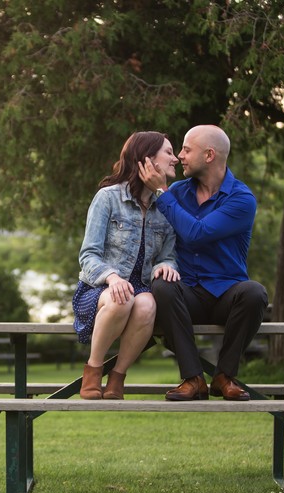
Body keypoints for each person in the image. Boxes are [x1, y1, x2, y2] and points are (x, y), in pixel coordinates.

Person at [138, 125, 268, 401]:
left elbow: (198, 235)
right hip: (187, 295)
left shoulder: (241, 199)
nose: (180, 156)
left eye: (186, 149)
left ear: (209, 155)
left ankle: (224, 376)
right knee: (161, 285)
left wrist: (162, 193)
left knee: (255, 292)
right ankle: (193, 378)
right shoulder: (178, 192)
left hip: (226, 294)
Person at [73, 131, 182, 400]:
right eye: (168, 152)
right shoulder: (108, 198)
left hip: (140, 290)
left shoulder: (166, 207)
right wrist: (112, 278)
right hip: (99, 289)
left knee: (147, 304)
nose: (176, 158)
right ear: (147, 159)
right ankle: (94, 369)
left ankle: (118, 377)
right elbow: (88, 255)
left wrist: (167, 265)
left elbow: (169, 255)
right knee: (122, 297)